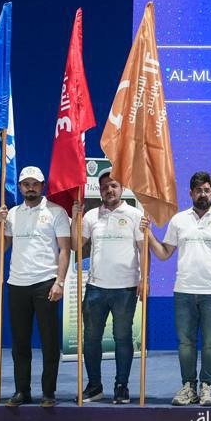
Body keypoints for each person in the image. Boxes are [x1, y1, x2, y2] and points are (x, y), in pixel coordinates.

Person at [143, 171, 211, 408]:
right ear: (190, 193)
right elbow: (165, 254)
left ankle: (207, 387)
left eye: (207, 190)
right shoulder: (179, 220)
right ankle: (188, 387)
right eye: (198, 190)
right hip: (184, 291)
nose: (202, 194)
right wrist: (149, 235)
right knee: (185, 343)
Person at [0, 166, 71, 408]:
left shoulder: (56, 212)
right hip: (17, 284)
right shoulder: (12, 214)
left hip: (46, 282)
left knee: (49, 341)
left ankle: (49, 393)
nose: (30, 187)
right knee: (20, 343)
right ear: (20, 187)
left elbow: (65, 250)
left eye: (35, 183)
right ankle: (21, 391)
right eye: (26, 184)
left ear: (43, 185)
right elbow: (2, 248)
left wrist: (60, 281)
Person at [76, 167, 145, 404]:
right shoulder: (91, 216)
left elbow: (143, 249)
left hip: (126, 288)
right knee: (91, 338)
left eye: (113, 185)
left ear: (122, 189)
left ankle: (121, 386)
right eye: (104, 187)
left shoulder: (135, 215)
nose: (109, 190)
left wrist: (145, 279)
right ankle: (94, 386)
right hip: (95, 287)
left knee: (122, 337)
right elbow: (77, 246)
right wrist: (76, 220)